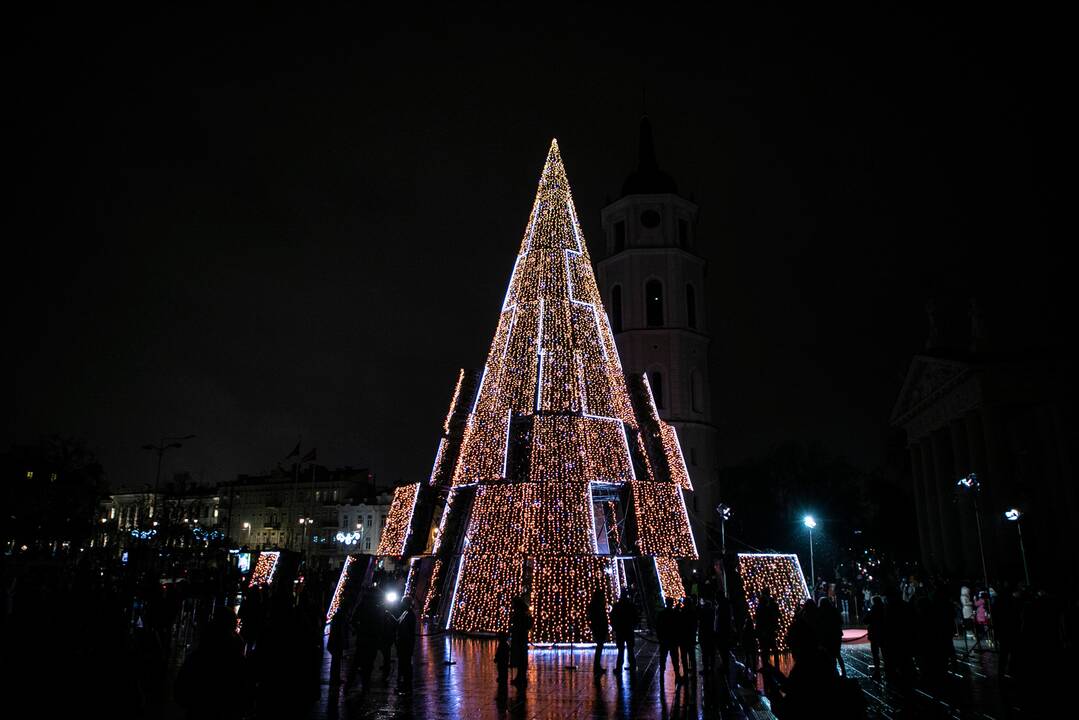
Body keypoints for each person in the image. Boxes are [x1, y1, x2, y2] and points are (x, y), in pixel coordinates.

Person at [816, 597, 845, 677]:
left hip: (826, 635)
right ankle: (843, 671)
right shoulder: (834, 610)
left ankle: (832, 671)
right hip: (836, 634)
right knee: (837, 654)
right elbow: (840, 621)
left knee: (829, 654)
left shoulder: (820, 611)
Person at [610, 590, 639, 672]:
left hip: (620, 630)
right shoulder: (630, 606)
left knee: (621, 650)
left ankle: (619, 667)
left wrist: (615, 626)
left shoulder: (617, 606)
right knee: (630, 650)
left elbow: (612, 616)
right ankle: (632, 666)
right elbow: (635, 616)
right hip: (629, 629)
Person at [656, 597, 681, 682]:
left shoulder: (662, 614)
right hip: (673, 639)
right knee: (675, 658)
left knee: (663, 658)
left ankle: (662, 675)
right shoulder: (674, 614)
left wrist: (660, 637)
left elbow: (658, 626)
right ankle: (677, 675)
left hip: (664, 639)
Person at [509, 594, 533, 686]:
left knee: (520, 658)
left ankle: (520, 678)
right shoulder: (524, 613)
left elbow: (516, 623)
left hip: (519, 638)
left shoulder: (519, 614)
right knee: (521, 659)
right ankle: (520, 677)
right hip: (521, 638)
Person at [395, 596, 417, 693]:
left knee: (406, 663)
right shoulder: (405, 613)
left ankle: (406, 684)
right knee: (403, 662)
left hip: (405, 642)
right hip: (403, 642)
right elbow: (397, 623)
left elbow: (407, 629)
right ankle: (403, 683)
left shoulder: (409, 614)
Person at [756, 588, 781, 669]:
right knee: (770, 648)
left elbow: (760, 619)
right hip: (769, 629)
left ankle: (767, 666)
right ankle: (773, 666)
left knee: (766, 649)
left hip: (766, 630)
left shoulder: (764, 607)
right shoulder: (770, 604)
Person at [586, 589, 609, 675]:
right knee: (599, 647)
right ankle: (597, 666)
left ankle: (597, 666)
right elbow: (601, 618)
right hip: (599, 628)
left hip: (597, 628)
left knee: (599, 648)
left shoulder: (594, 605)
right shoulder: (598, 606)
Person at [864, 595, 885, 680]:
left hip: (875, 633)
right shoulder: (884, 608)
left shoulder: (873, 609)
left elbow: (865, 620)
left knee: (875, 654)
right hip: (884, 633)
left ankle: (877, 672)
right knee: (885, 653)